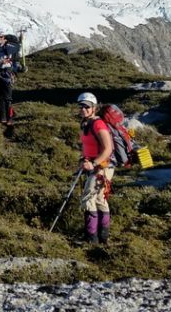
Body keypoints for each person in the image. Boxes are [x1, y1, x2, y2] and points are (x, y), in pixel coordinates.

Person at [76, 92, 115, 245]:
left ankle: (91, 238)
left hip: (102, 167)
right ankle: (102, 237)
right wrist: (85, 158)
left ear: (94, 108)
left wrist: (93, 163)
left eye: (87, 106)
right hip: (95, 165)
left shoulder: (98, 124)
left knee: (88, 199)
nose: (83, 109)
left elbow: (108, 149)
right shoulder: (87, 123)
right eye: (81, 106)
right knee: (99, 199)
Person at [0, 29, 20, 124]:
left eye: (1, 37)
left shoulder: (9, 47)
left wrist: (16, 41)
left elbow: (18, 48)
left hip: (7, 73)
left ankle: (9, 118)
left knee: (7, 97)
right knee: (0, 95)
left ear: (4, 37)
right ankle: (3, 117)